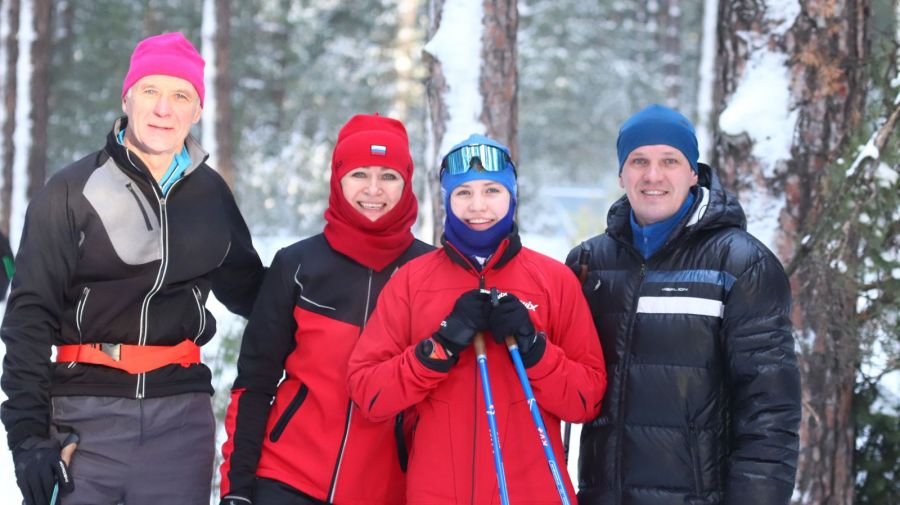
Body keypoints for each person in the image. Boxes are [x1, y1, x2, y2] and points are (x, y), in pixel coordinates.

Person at [1, 32, 264, 505]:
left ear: (197, 111)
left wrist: (321, 271)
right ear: (127, 98)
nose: (164, 109)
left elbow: (255, 295)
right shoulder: (69, 192)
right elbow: (27, 319)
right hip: (83, 420)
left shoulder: (211, 196)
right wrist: (28, 440)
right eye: (151, 91)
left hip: (180, 426)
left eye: (180, 95)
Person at [347, 134, 607, 504]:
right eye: (463, 193)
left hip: (532, 491)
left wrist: (534, 349)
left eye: (492, 191)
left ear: (512, 196)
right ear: (446, 201)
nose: (478, 205)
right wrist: (438, 348)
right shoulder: (412, 281)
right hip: (437, 493)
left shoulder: (553, 280)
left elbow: (587, 400)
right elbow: (368, 394)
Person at [568, 104, 801, 505]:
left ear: (694, 172)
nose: (653, 175)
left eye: (670, 161)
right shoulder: (589, 266)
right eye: (638, 160)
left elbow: (770, 412)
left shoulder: (740, 265)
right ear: (621, 172)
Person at [218, 114, 433, 505]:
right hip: (287, 480)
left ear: (407, 183)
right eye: (359, 174)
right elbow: (254, 383)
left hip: (388, 489)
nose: (373, 189)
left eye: (388, 176)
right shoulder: (297, 265)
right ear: (337, 179)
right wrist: (237, 489)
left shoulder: (431, 273)